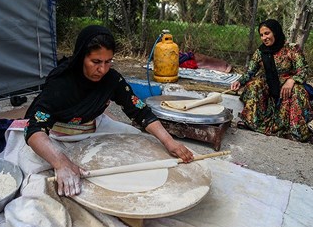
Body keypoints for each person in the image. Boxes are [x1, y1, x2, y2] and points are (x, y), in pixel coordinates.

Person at [24, 25, 194, 197]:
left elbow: (140, 111)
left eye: (108, 61)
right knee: (39, 181)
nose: (103, 70)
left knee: (137, 139)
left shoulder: (111, 80)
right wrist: (61, 162)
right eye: (96, 62)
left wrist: (169, 141)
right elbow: (34, 128)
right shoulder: (60, 84)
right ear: (81, 57)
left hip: (92, 127)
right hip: (57, 135)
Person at [230, 19, 313, 143]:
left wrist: (292, 80)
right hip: (270, 88)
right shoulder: (261, 52)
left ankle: (295, 132)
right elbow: (250, 72)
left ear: (275, 32)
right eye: (261, 35)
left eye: (267, 33)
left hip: (288, 89)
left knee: (297, 90)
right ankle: (254, 123)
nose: (264, 37)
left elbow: (303, 69)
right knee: (254, 85)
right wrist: (240, 82)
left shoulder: (291, 49)